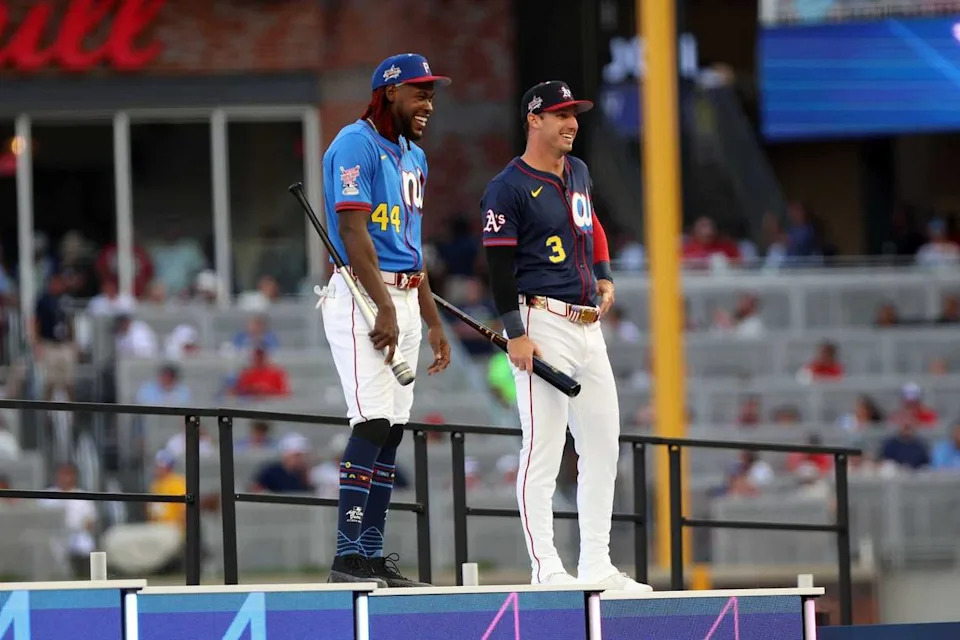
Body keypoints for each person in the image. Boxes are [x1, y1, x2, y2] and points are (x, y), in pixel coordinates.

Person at [478, 80, 650, 591]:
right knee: (544, 447)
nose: (572, 122)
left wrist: (604, 271)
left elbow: (589, 220)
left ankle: (597, 562)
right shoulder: (506, 186)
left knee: (602, 443)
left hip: (586, 323)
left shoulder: (577, 170)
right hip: (540, 320)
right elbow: (498, 267)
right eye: (560, 114)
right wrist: (515, 333)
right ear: (534, 119)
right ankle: (545, 566)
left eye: (574, 113)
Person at [317, 53, 452, 588]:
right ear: (390, 92)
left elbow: (410, 250)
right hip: (361, 296)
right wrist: (387, 307)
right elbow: (354, 236)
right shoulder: (354, 143)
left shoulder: (414, 156)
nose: (428, 105)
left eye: (432, 95)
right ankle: (347, 556)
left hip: (406, 296)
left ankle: (370, 554)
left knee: (392, 432)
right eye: (419, 93)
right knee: (370, 422)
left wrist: (433, 319)